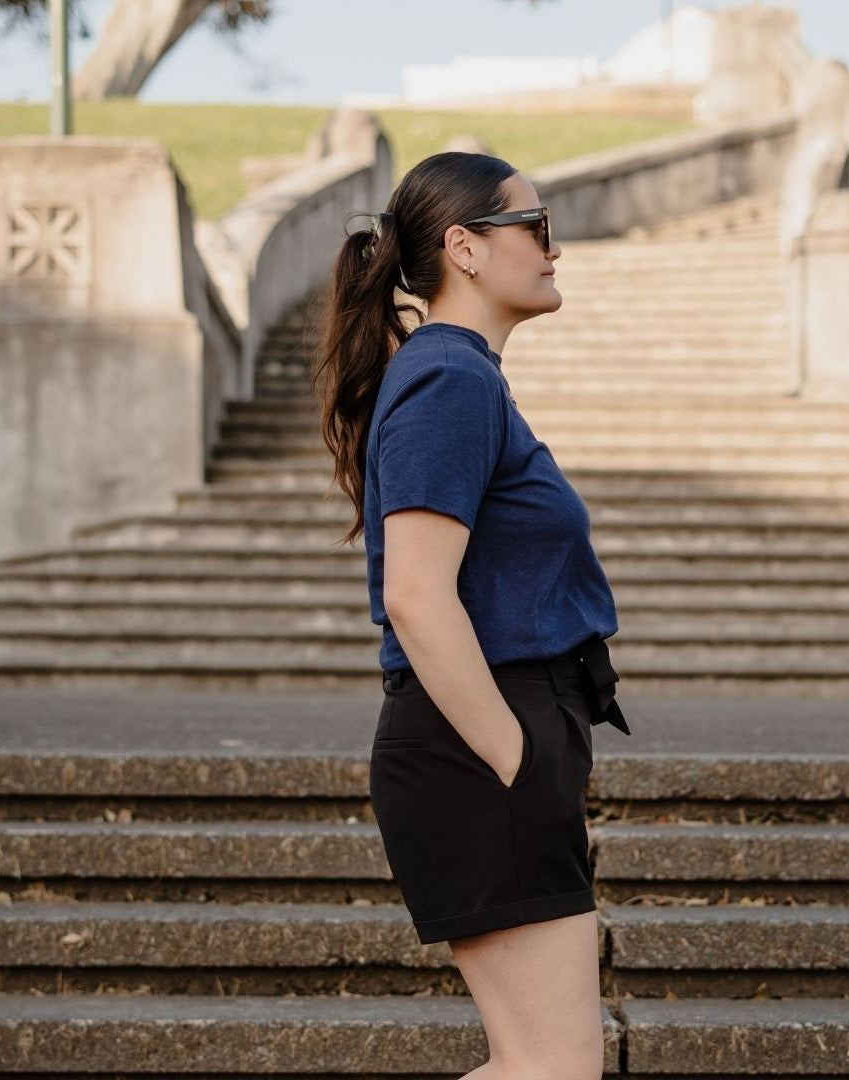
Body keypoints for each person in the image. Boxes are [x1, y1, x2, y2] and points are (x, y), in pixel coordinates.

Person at [311, 151, 631, 1080]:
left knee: (543, 1063)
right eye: (535, 226)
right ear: (465, 248)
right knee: (554, 1065)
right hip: (478, 738)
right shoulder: (449, 378)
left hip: (492, 731)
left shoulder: (460, 376)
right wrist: (513, 753)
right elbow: (415, 591)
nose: (554, 248)